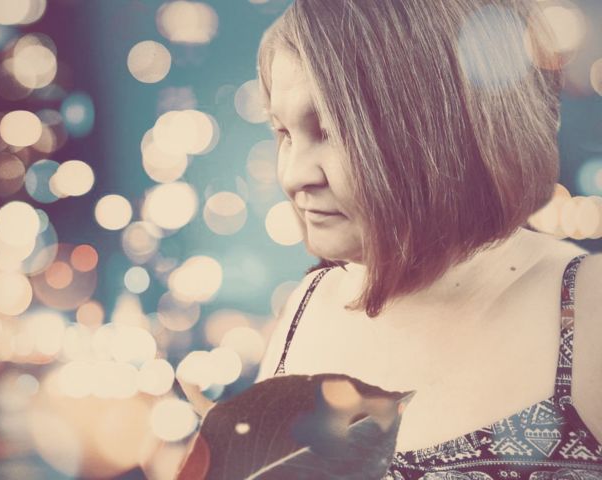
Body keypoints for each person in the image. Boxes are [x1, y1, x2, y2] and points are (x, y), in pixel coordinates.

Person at [252, 0, 602, 478]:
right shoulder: (306, 307)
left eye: (331, 131)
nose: (293, 175)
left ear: (439, 127)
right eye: (284, 132)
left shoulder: (588, 311)